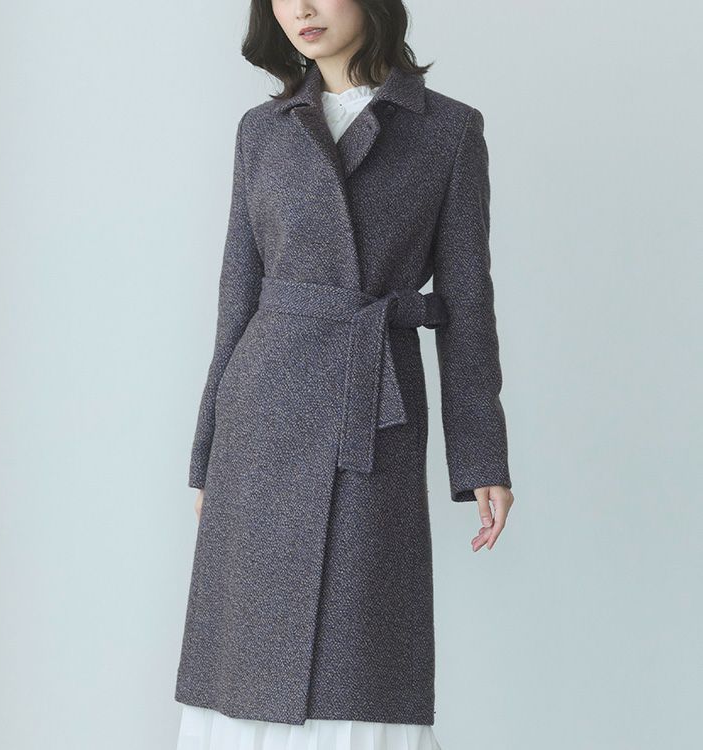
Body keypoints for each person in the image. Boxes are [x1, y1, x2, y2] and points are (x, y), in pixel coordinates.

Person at [175, 1, 515, 748]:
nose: (301, 9)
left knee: (361, 654)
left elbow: (467, 304)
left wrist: (481, 455)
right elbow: (236, 300)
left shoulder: (448, 130)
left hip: (373, 405)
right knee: (246, 659)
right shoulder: (261, 132)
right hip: (260, 421)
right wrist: (207, 456)